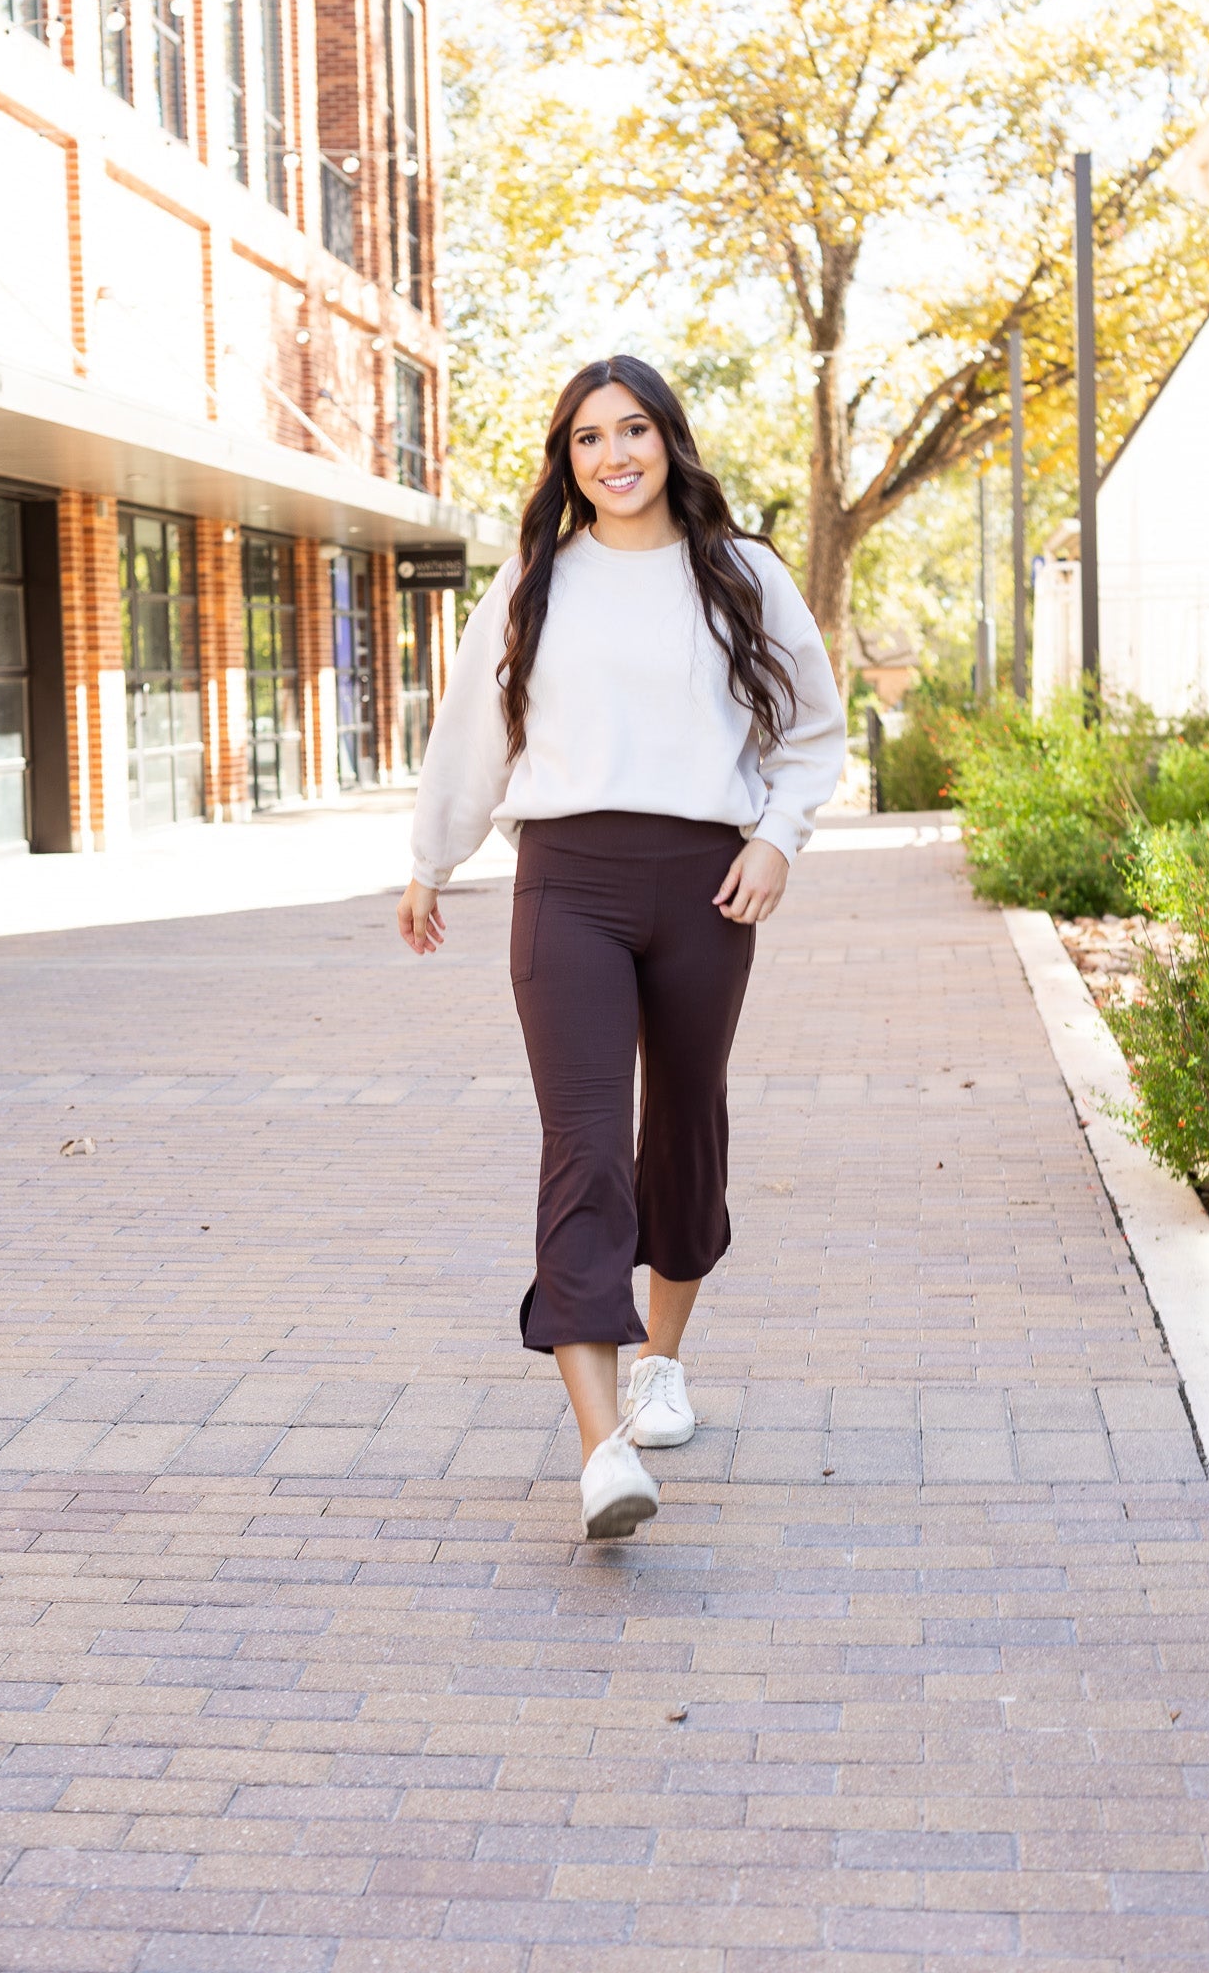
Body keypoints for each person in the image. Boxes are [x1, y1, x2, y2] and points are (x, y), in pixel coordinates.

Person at [396, 354, 845, 1539]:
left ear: (669, 440)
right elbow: (472, 732)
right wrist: (430, 859)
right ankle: (600, 1450)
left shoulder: (741, 574)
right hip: (568, 885)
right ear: (568, 460)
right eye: (589, 438)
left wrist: (778, 838)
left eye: (633, 429)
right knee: (584, 1147)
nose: (614, 455)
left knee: (683, 1124)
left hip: (708, 885)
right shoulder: (537, 583)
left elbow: (811, 725)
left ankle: (661, 1360)